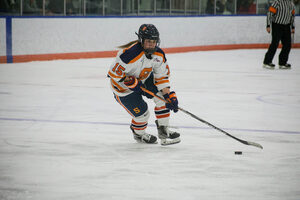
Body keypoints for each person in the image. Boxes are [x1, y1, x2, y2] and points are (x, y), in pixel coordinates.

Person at [107, 24, 181, 145]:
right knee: (143, 115)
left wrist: (169, 95)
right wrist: (129, 81)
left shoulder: (159, 55)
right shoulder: (129, 55)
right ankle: (139, 134)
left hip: (143, 79)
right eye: (148, 41)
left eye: (154, 41)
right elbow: (114, 74)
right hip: (123, 89)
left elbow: (161, 77)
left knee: (163, 99)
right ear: (141, 41)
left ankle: (164, 130)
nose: (152, 44)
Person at [263, 0, 296, 69]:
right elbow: (270, 13)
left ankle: (282, 62)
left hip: (287, 26)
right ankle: (267, 62)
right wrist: (268, 25)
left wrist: (293, 27)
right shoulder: (277, 2)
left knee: (288, 44)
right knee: (275, 43)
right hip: (277, 25)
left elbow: (292, 16)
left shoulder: (291, 3)